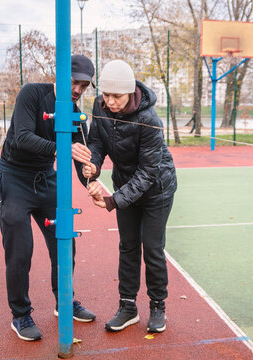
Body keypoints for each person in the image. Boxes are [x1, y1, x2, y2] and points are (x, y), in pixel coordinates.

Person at [0, 54, 100, 342]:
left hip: (46, 178)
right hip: (14, 176)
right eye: (73, 81)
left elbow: (81, 160)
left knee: (64, 240)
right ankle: (21, 314)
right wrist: (62, 149)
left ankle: (64, 301)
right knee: (20, 247)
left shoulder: (76, 116)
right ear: (60, 74)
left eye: (84, 85)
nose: (78, 89)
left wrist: (91, 178)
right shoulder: (32, 93)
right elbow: (22, 137)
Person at [77, 60, 177, 333]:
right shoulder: (100, 108)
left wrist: (113, 201)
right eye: (105, 95)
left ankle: (158, 306)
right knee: (128, 246)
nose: (109, 101)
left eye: (116, 96)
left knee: (152, 248)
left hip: (157, 189)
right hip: (125, 184)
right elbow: (96, 142)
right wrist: (93, 165)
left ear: (130, 92)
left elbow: (147, 173)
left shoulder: (149, 119)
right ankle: (128, 307)